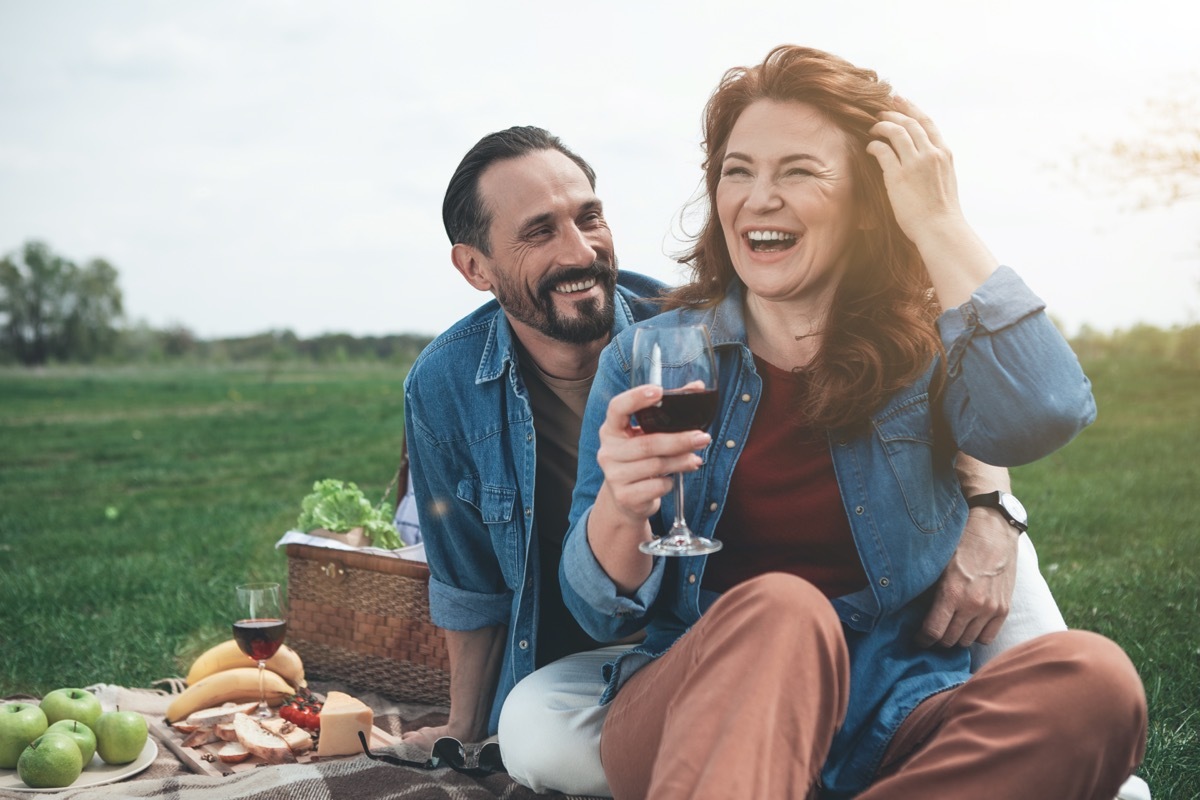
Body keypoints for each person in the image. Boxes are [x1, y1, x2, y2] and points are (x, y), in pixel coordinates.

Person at [403, 124, 1073, 797]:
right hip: (646, 630)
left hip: (835, 627)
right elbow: (472, 580)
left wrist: (994, 506)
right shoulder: (446, 384)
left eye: (590, 217)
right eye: (539, 232)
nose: (581, 250)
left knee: (1077, 676)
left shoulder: (688, 328)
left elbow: (959, 411)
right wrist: (463, 727)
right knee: (535, 730)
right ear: (476, 268)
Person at [559, 45, 1147, 799]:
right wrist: (620, 503)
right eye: (737, 171)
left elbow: (1047, 410)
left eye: (797, 171)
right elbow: (593, 612)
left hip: (892, 715)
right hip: (700, 710)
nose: (757, 198)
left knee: (1095, 681)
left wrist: (937, 219)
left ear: (869, 206)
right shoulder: (650, 356)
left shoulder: (928, 355)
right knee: (781, 607)